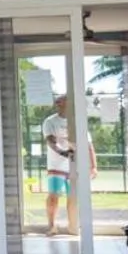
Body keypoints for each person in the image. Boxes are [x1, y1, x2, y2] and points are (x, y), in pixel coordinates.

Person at [41, 94, 96, 236]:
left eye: (64, 100)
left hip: (75, 167)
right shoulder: (50, 121)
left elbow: (89, 145)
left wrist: (93, 165)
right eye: (59, 101)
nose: (60, 102)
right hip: (56, 166)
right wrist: (65, 153)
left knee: (73, 197)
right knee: (53, 196)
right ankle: (52, 226)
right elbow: (51, 142)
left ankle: (73, 227)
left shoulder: (78, 122)